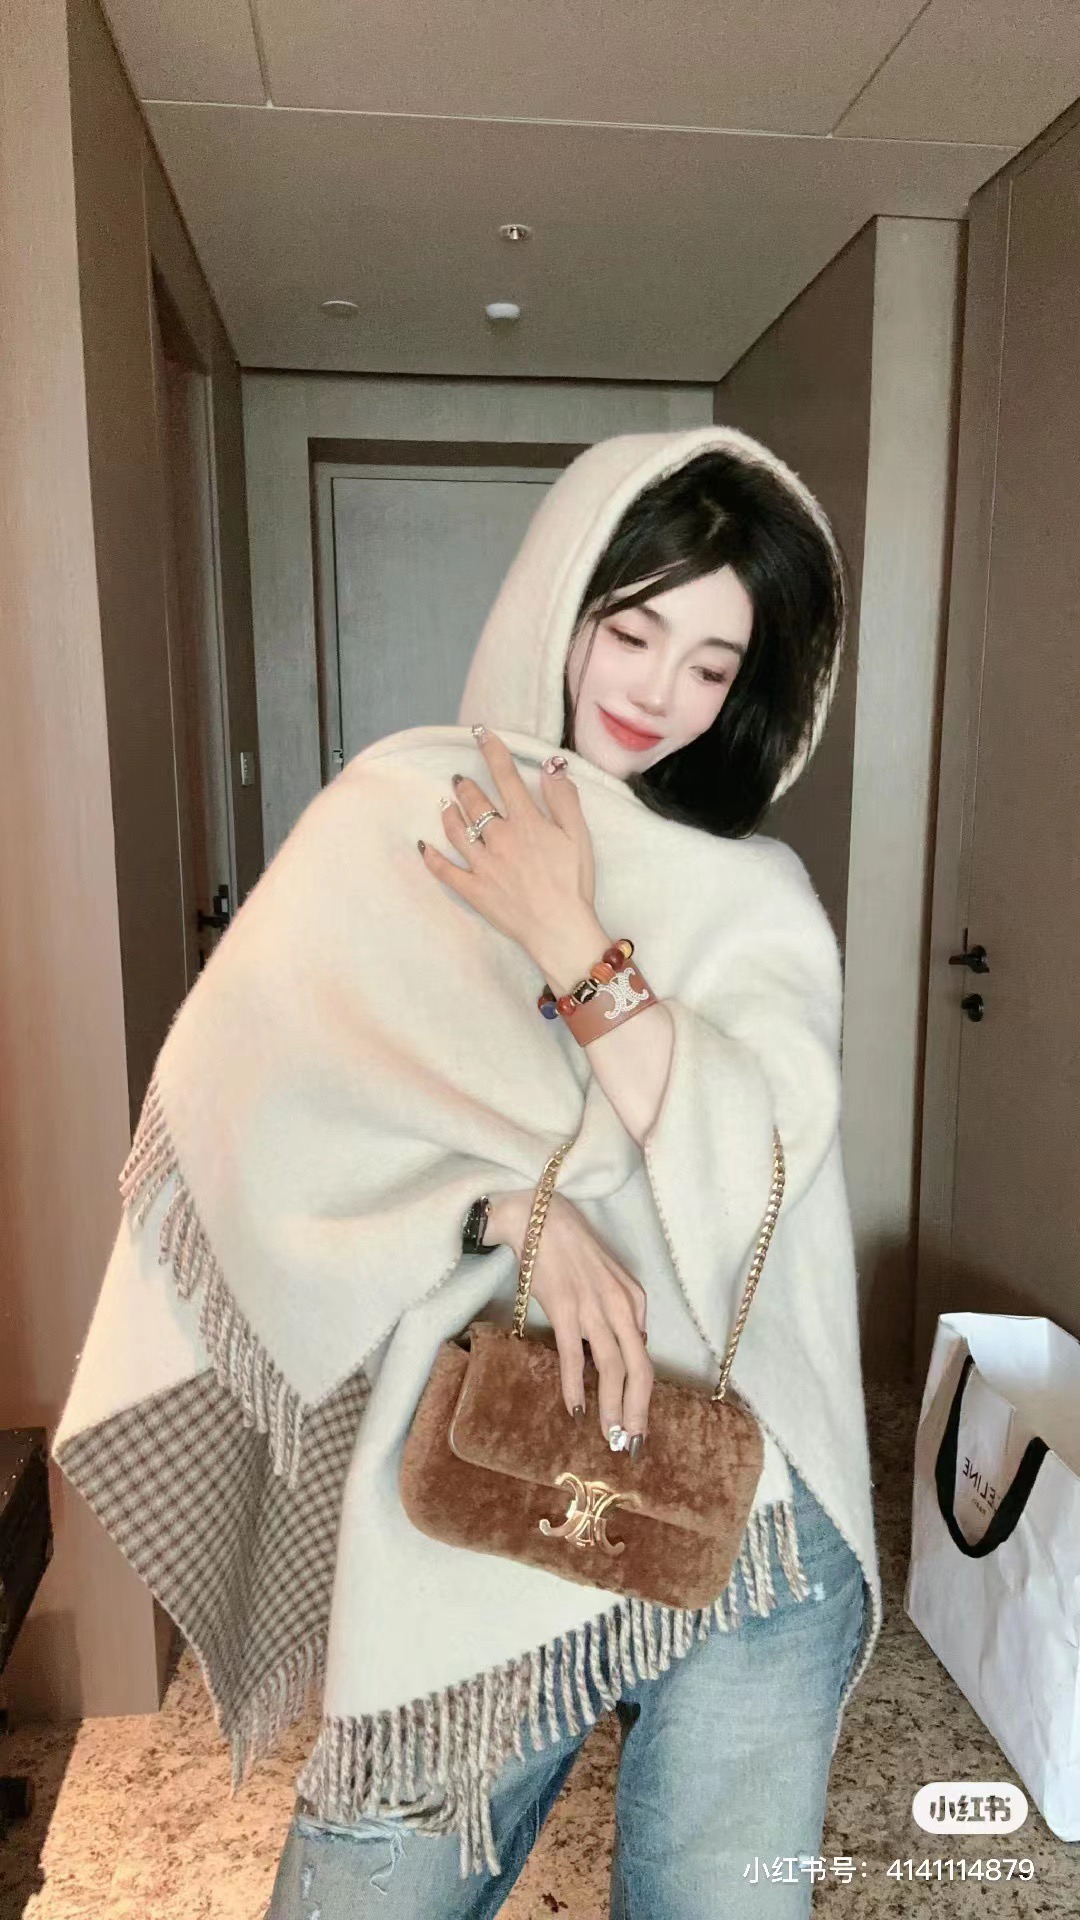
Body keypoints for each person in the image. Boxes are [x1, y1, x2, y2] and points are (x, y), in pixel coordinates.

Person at [53, 429, 881, 1920]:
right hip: (489, 1468)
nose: (658, 692)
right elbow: (261, 1115)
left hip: (749, 1508)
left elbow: (759, 1167)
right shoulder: (398, 812)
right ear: (563, 599)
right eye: (633, 629)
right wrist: (513, 1216)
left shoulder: (759, 897)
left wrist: (570, 933)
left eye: (712, 665)